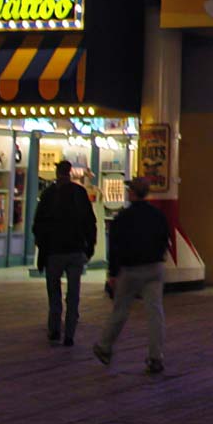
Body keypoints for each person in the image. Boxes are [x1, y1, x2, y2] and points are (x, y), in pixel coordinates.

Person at [93, 177, 170, 373]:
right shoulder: (158, 216)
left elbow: (116, 247)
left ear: (132, 193)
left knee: (120, 309)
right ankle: (155, 356)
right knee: (155, 312)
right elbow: (165, 239)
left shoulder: (123, 218)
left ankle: (105, 346)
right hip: (154, 267)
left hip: (130, 269)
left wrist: (112, 273)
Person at [32, 159, 97, 345]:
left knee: (54, 292)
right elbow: (89, 223)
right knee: (73, 293)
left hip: (54, 251)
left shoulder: (49, 195)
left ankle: (54, 329)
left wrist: (42, 246)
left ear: (56, 173)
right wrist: (89, 247)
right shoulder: (79, 193)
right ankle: (70, 333)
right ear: (70, 172)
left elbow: (38, 224)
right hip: (75, 250)